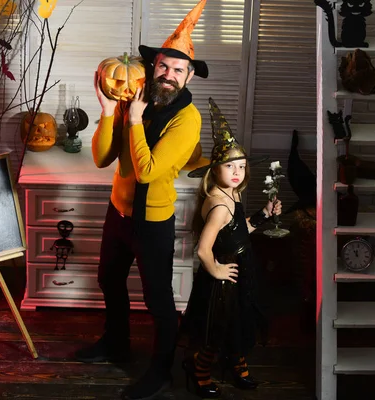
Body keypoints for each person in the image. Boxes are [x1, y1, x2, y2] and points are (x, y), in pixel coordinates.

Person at [74, 1, 209, 399]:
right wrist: (107, 112)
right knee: (109, 280)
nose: (168, 75)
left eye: (178, 70)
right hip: (118, 211)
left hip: (151, 222)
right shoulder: (135, 99)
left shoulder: (187, 119)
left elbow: (148, 171)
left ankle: (161, 370)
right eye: (164, 66)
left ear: (188, 77)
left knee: (158, 300)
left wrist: (132, 121)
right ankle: (116, 343)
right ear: (154, 67)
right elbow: (102, 158)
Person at [180, 98, 282, 398]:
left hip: (240, 271)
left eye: (241, 166)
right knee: (219, 326)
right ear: (215, 170)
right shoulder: (220, 204)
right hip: (224, 279)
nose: (237, 172)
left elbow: (240, 232)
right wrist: (217, 271)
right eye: (229, 166)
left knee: (240, 320)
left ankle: (237, 363)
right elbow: (203, 249)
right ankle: (199, 369)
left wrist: (262, 216)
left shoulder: (232, 194)